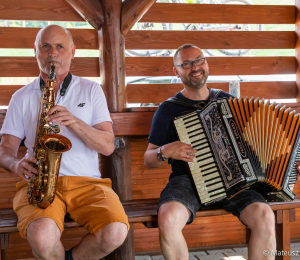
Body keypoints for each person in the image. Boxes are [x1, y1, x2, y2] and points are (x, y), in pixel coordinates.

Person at [0, 25, 129, 260]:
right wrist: (15, 164)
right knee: (41, 237)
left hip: (88, 184)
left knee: (116, 231)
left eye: (60, 46)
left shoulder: (91, 90)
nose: (53, 53)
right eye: (46, 46)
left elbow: (108, 146)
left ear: (73, 52)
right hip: (39, 183)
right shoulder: (21, 96)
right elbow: (5, 150)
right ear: (36, 52)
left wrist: (75, 122)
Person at [144, 44, 276, 260]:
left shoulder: (231, 103)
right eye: (186, 64)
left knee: (265, 215)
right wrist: (164, 150)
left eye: (199, 60)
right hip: (187, 181)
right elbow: (148, 160)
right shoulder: (167, 110)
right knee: (167, 219)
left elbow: (258, 146)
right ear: (176, 71)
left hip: (234, 180)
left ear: (206, 63)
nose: (194, 67)